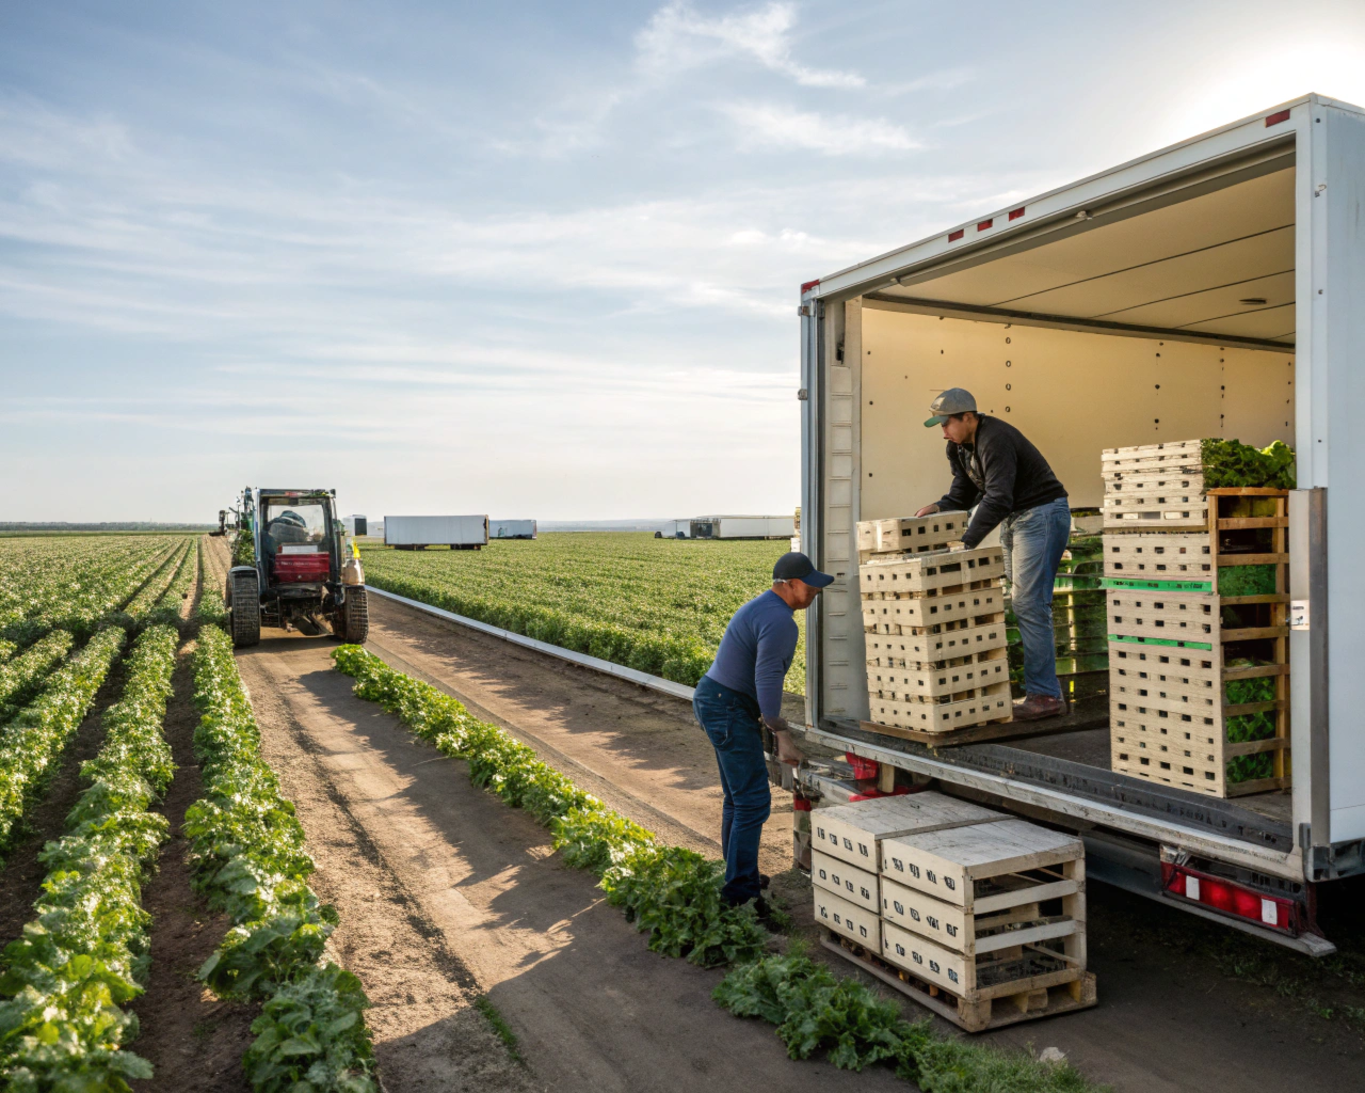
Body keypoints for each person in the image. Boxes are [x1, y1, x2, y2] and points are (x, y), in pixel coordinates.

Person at [915, 388, 1071, 722]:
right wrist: (939, 507)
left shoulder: (995, 438)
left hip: (1041, 513)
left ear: (968, 417)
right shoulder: (958, 448)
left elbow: (998, 498)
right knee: (1024, 603)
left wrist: (966, 542)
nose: (943, 431)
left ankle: (1045, 695)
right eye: (939, 425)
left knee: (1029, 603)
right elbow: (964, 492)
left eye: (946, 423)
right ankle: (1041, 690)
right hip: (1018, 518)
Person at [693, 551, 831, 913]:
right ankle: (741, 896)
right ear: (790, 584)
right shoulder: (781, 620)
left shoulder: (764, 608)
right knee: (753, 801)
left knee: (737, 799)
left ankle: (740, 875)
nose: (816, 591)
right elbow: (767, 676)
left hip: (716, 699)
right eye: (811, 585)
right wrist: (780, 732)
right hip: (727, 707)